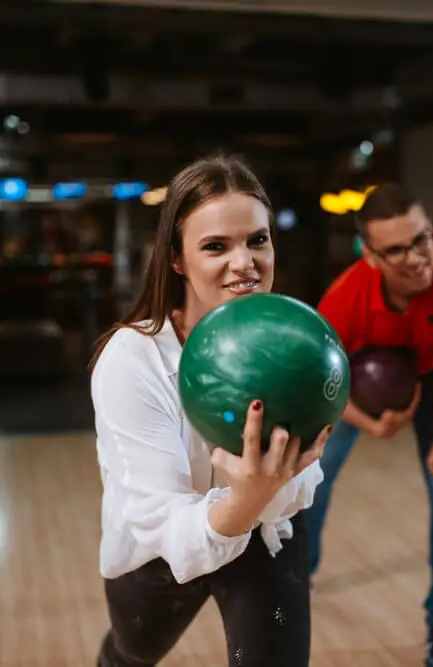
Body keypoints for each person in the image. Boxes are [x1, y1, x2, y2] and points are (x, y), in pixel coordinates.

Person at [89, 154, 330, 667]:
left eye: (257, 240)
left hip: (266, 526)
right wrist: (242, 499)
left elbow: (306, 472)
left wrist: (256, 499)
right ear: (176, 259)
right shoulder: (131, 358)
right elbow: (159, 515)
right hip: (158, 550)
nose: (243, 262)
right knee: (132, 654)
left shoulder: (291, 340)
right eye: (216, 246)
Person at [305, 183, 433, 667]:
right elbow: (318, 389)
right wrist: (367, 424)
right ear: (370, 256)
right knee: (313, 476)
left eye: (421, 239)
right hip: (358, 379)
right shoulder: (345, 301)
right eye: (396, 250)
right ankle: (297, 576)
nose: (416, 258)